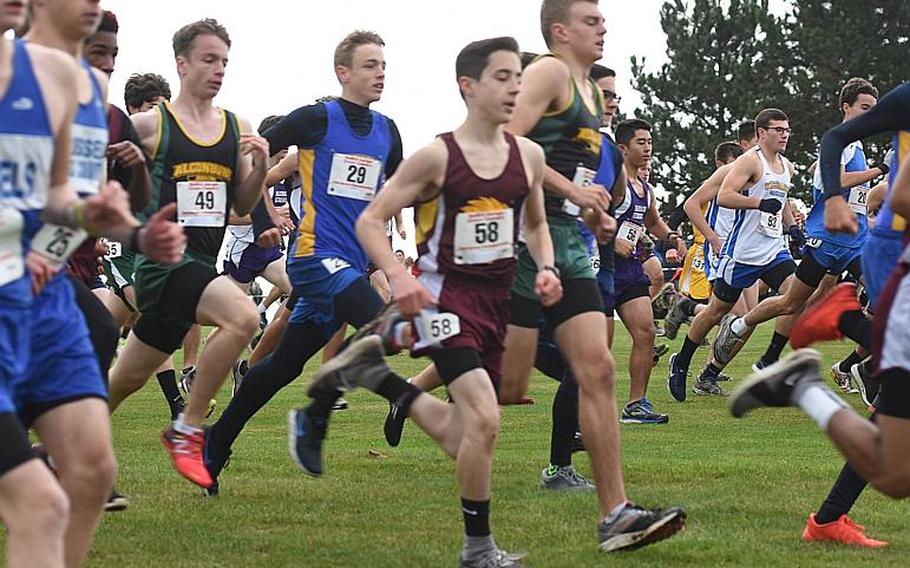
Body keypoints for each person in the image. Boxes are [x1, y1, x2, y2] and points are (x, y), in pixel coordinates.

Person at [306, 36, 562, 567]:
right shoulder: (437, 157)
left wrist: (548, 267)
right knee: (487, 419)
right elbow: (370, 220)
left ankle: (377, 376)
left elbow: (536, 225)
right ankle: (479, 551)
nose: (516, 86)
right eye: (502, 77)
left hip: (496, 306)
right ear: (467, 86)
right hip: (444, 303)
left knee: (462, 433)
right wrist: (399, 277)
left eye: (519, 77)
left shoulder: (529, 157)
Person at [499, 0, 685, 551]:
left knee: (597, 368)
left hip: (574, 241)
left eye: (603, 19)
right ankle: (400, 379)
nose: (603, 27)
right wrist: (572, 192)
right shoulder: (550, 72)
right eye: (590, 20)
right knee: (506, 387)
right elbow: (509, 143)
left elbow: (563, 168)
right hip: (526, 239)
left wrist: (594, 212)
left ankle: (616, 514)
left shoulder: (584, 92)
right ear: (560, 31)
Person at [203, 30, 404, 493]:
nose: (380, 74)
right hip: (315, 258)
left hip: (352, 265)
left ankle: (216, 442)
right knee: (384, 327)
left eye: (383, 66)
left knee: (281, 367)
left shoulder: (387, 132)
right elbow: (250, 158)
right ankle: (317, 415)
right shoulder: (316, 119)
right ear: (343, 72)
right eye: (370, 65)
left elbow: (401, 187)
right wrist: (259, 217)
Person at [106, 18, 268, 490]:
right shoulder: (150, 126)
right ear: (181, 63)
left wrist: (260, 167)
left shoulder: (238, 127)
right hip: (162, 267)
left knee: (122, 381)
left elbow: (241, 203)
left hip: (201, 266)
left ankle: (51, 452)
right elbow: (108, 191)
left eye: (224, 62)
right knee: (243, 317)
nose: (219, 70)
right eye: (208, 60)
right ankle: (188, 428)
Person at [712, 79, 886, 373]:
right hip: (827, 240)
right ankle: (743, 324)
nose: (871, 116)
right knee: (791, 302)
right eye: (864, 108)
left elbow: (850, 191)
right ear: (846, 108)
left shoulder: (855, 145)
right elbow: (836, 181)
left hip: (854, 240)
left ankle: (861, 366)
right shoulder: (839, 141)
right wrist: (880, 169)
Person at [668, 109, 798, 400]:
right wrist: (754, 208)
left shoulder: (786, 166)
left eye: (787, 129)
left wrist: (793, 230)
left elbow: (783, 199)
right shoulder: (746, 163)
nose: (785, 134)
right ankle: (683, 360)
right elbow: (720, 198)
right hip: (740, 253)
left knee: (793, 299)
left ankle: (733, 361)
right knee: (717, 311)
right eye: (778, 129)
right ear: (761, 134)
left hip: (773, 249)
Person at [608, 118, 681, 423]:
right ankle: (586, 411)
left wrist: (673, 237)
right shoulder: (612, 181)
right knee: (599, 350)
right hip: (600, 268)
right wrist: (612, 240)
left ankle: (636, 405)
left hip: (629, 270)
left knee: (646, 332)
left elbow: (652, 221)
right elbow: (587, 215)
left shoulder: (645, 188)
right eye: (641, 142)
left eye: (650, 142)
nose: (648, 148)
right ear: (623, 148)